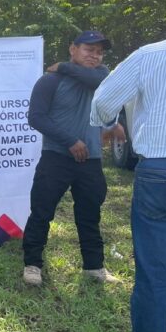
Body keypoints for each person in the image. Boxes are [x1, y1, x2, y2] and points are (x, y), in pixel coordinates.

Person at [91, 37, 166, 332]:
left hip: (159, 169)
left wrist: (105, 121)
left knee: (155, 273)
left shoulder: (151, 55)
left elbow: (104, 101)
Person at [22, 31, 123, 287]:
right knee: (42, 211)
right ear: (72, 48)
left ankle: (94, 267)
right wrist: (70, 141)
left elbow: (103, 76)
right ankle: (33, 264)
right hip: (56, 157)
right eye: (89, 49)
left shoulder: (100, 80)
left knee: (90, 214)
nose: (95, 55)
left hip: (91, 161)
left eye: (99, 51)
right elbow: (36, 117)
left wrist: (112, 125)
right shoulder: (50, 81)